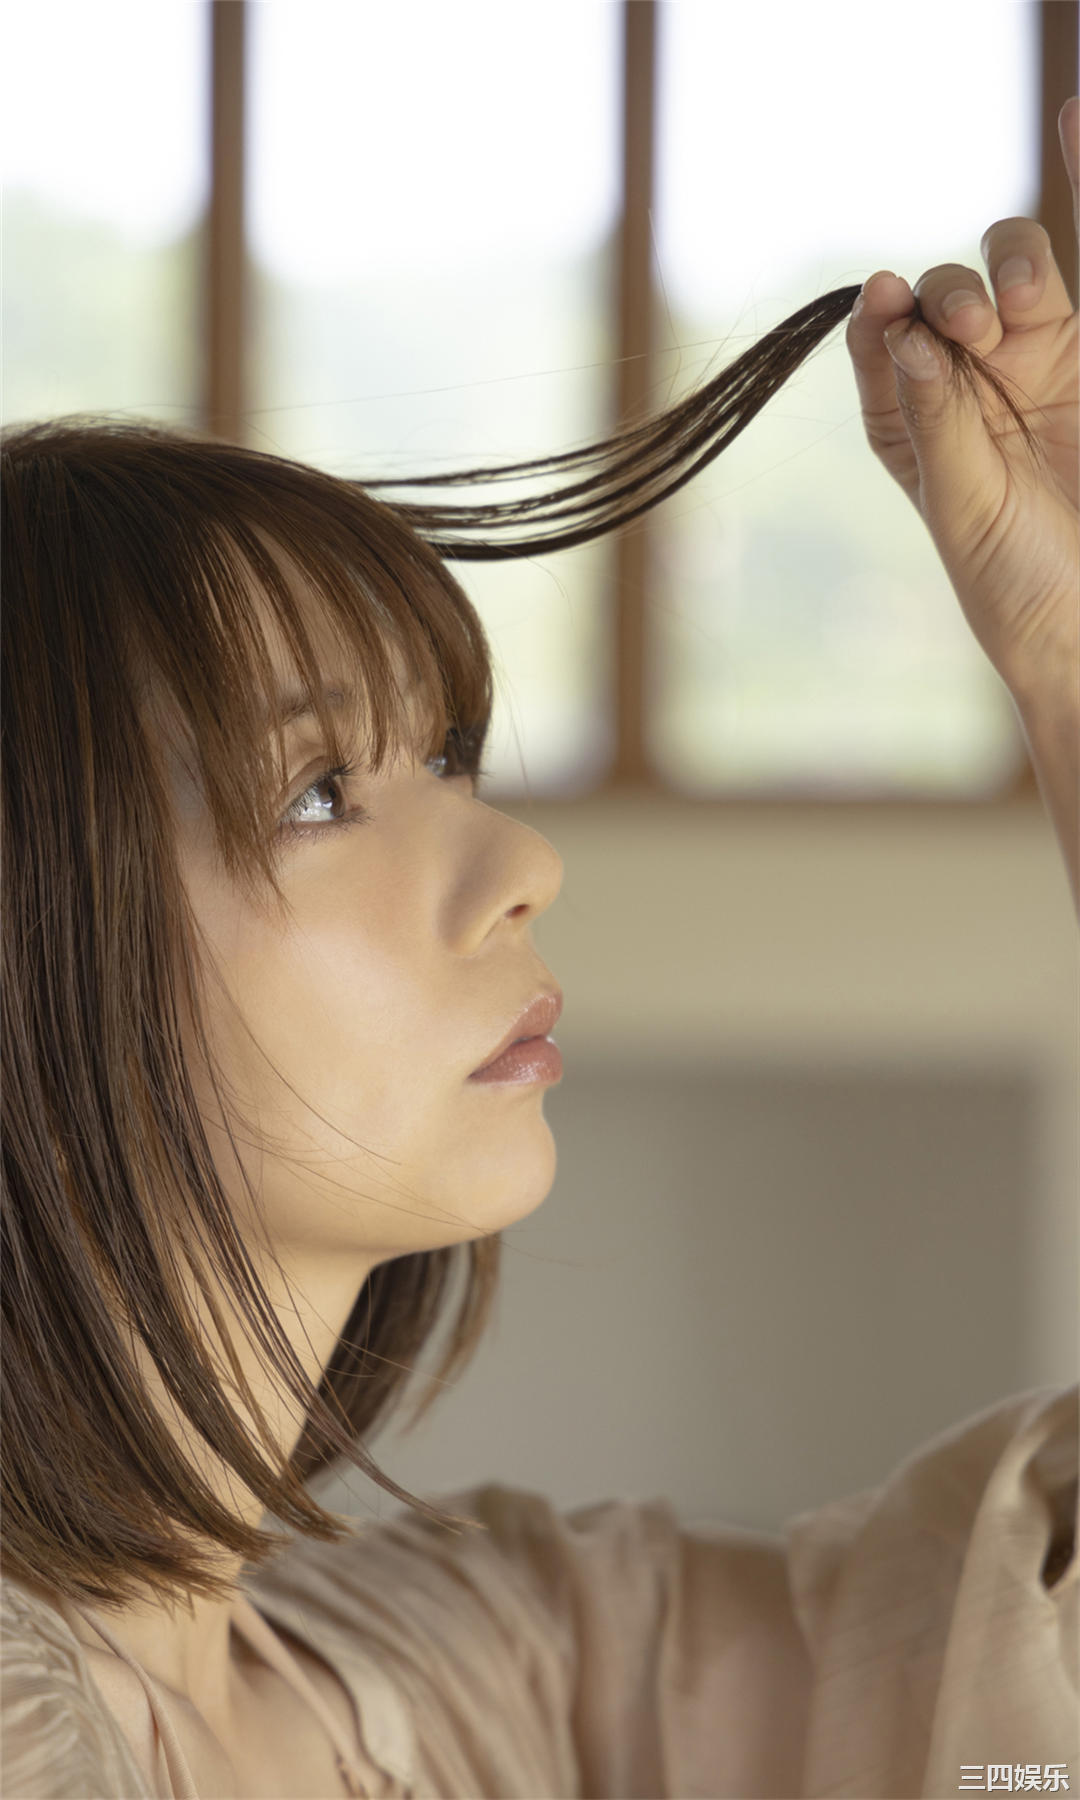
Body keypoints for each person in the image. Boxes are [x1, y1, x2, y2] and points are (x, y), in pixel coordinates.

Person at [1, 96, 1076, 1800]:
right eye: (318, 793)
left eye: (446, 757)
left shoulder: (486, 1674)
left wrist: (1068, 654)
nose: (521, 862)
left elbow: (1023, 1665)